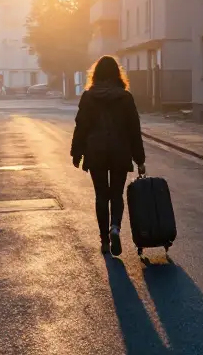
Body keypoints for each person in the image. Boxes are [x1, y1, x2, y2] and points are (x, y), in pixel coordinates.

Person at [70, 56, 146, 256]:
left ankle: (104, 240)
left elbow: (81, 127)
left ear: (95, 74)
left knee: (101, 196)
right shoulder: (125, 98)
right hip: (120, 151)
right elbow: (134, 130)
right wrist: (140, 159)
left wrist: (76, 153)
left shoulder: (88, 97)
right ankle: (115, 228)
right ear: (117, 74)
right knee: (116, 194)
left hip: (96, 152)